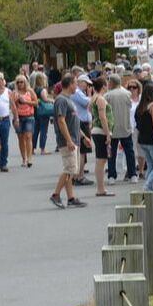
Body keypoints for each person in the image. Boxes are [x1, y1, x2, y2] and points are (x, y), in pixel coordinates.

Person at [49, 75, 87, 209]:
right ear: (70, 84)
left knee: (71, 169)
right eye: (75, 83)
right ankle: (56, 194)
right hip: (67, 141)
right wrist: (69, 140)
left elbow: (74, 122)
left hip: (74, 139)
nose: (76, 86)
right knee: (69, 169)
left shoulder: (68, 99)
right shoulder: (61, 100)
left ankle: (71, 198)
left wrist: (83, 137)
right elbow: (61, 120)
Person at [104, 74, 137, 182]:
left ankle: (112, 175)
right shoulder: (127, 94)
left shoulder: (107, 96)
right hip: (125, 126)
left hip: (112, 128)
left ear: (112, 83)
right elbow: (130, 107)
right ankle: (133, 174)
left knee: (111, 153)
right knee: (129, 152)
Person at [88, 76, 116, 197]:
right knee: (101, 160)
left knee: (101, 159)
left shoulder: (94, 98)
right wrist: (107, 134)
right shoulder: (100, 99)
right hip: (101, 131)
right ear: (104, 86)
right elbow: (102, 117)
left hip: (98, 130)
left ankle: (101, 188)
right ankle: (100, 188)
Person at [71, 75, 95, 186]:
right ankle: (79, 176)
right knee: (82, 150)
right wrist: (90, 95)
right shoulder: (77, 93)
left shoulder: (79, 92)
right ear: (80, 82)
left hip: (83, 122)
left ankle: (78, 175)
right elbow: (88, 103)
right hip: (81, 122)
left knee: (83, 151)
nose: (87, 86)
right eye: (86, 83)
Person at [11, 75, 37, 168]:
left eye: (21, 82)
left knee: (28, 136)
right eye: (18, 82)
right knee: (21, 138)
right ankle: (24, 158)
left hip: (29, 116)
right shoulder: (14, 93)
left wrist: (25, 101)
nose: (19, 84)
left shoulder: (30, 91)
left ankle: (29, 158)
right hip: (18, 117)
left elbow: (36, 102)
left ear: (25, 82)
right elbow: (13, 107)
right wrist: (16, 118)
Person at [32, 72, 53, 155]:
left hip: (35, 111)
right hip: (43, 111)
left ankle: (32, 148)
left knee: (36, 130)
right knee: (43, 130)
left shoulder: (34, 89)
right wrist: (52, 100)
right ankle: (42, 148)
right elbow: (45, 99)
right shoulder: (42, 89)